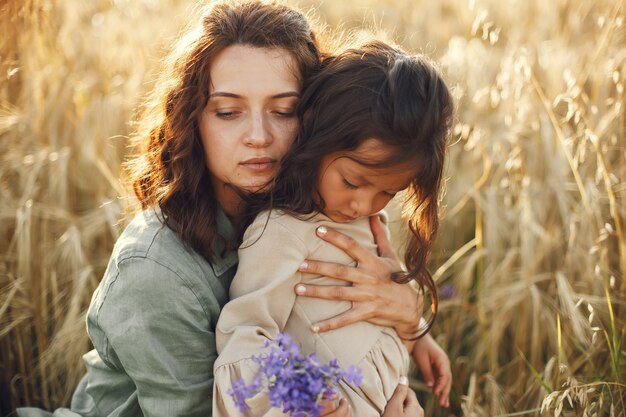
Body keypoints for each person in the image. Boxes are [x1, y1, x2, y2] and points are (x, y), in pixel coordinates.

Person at [16, 1, 449, 416]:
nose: (258, 136)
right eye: (228, 112)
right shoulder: (156, 274)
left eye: (284, 110)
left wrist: (410, 318)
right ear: (192, 119)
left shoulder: (326, 210)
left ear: (322, 116)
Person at [213, 40, 454, 417]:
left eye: (388, 192)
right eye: (352, 182)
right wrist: (301, 407)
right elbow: (245, 335)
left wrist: (417, 335)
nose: (364, 205)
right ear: (318, 136)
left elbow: (382, 296)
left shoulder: (367, 221)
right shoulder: (282, 232)